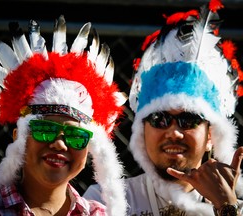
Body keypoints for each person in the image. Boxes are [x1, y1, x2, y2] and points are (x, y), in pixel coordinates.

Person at [0, 16, 128, 215]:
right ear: (18, 138)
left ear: (88, 148)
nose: (60, 144)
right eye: (45, 130)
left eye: (76, 137)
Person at [84, 0, 243, 215]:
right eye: (160, 119)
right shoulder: (104, 201)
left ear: (210, 136)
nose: (174, 132)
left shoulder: (235, 205)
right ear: (143, 132)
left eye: (189, 120)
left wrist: (226, 207)